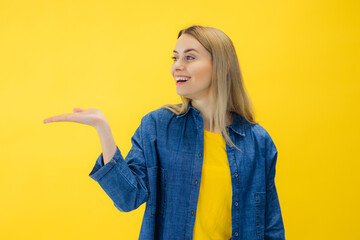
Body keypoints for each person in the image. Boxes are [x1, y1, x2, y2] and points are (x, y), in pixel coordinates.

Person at [43, 25, 285, 240]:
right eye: (175, 57)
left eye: (189, 57)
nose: (177, 66)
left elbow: (271, 226)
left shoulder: (258, 142)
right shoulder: (157, 126)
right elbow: (129, 198)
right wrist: (102, 129)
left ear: (222, 65)